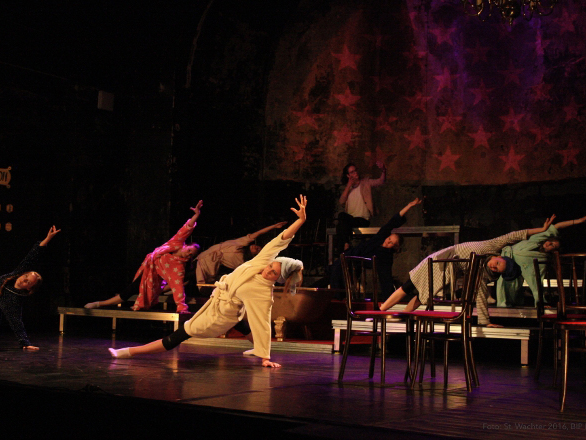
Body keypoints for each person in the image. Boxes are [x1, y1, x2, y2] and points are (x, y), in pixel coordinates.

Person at [108, 195, 308, 368]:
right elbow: (281, 240)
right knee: (241, 323)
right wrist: (300, 221)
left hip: (219, 316)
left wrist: (266, 357)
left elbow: (262, 322)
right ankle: (256, 347)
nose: (268, 271)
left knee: (178, 336)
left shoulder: (263, 293)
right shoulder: (262, 261)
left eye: (273, 273)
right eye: (271, 266)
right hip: (226, 304)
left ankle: (129, 352)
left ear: (278, 279)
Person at [380, 216, 557, 327]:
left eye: (496, 269)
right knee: (409, 286)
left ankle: (405, 318)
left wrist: (486, 322)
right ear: (499, 256)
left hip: (447, 271)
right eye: (497, 263)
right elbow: (513, 236)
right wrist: (541, 230)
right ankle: (382, 310)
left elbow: (480, 296)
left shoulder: (480, 272)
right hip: (440, 260)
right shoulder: (491, 246)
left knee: (421, 296)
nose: (493, 266)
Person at [84, 201, 203, 313]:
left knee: (129, 292)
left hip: (154, 280)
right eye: (189, 250)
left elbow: (178, 287)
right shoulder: (176, 242)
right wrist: (196, 215)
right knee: (130, 291)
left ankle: (99, 304)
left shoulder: (179, 267)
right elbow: (186, 228)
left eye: (191, 255)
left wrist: (181, 306)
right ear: (185, 246)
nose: (188, 254)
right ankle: (100, 303)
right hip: (147, 269)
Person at [330, 198, 423, 298]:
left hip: (354, 264)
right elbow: (393, 221)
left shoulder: (386, 256)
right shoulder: (381, 237)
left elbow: (385, 277)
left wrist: (389, 299)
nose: (388, 241)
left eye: (391, 242)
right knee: (334, 269)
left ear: (395, 247)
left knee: (337, 272)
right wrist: (409, 206)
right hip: (350, 255)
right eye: (389, 238)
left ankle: (337, 297)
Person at [496, 215, 586, 308]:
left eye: (552, 245)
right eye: (550, 241)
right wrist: (579, 220)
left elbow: (536, 281)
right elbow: (557, 226)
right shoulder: (536, 240)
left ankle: (539, 302)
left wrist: (540, 301)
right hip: (505, 259)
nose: (549, 244)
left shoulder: (541, 259)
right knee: (505, 287)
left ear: (553, 251)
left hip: (515, 269)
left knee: (513, 289)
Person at [0, 225, 60, 350]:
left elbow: (16, 322)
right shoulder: (17, 274)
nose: (24, 279)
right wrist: (47, 239)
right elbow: (32, 256)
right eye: (26, 276)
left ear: (29, 288)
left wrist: (25, 343)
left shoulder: (14, 300)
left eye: (28, 282)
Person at [195, 221, 288, 285]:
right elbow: (257, 234)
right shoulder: (241, 244)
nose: (256, 247)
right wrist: (274, 226)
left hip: (207, 264)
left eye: (257, 250)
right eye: (257, 246)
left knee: (203, 286)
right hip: (203, 256)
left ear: (254, 255)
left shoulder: (241, 261)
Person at [336, 161, 386, 253]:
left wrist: (383, 170)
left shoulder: (365, 183)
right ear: (348, 175)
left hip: (362, 219)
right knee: (341, 219)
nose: (355, 173)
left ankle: (343, 249)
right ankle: (345, 248)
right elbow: (341, 201)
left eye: (355, 170)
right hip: (350, 220)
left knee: (341, 225)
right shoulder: (348, 188)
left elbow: (380, 181)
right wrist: (349, 185)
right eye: (352, 172)